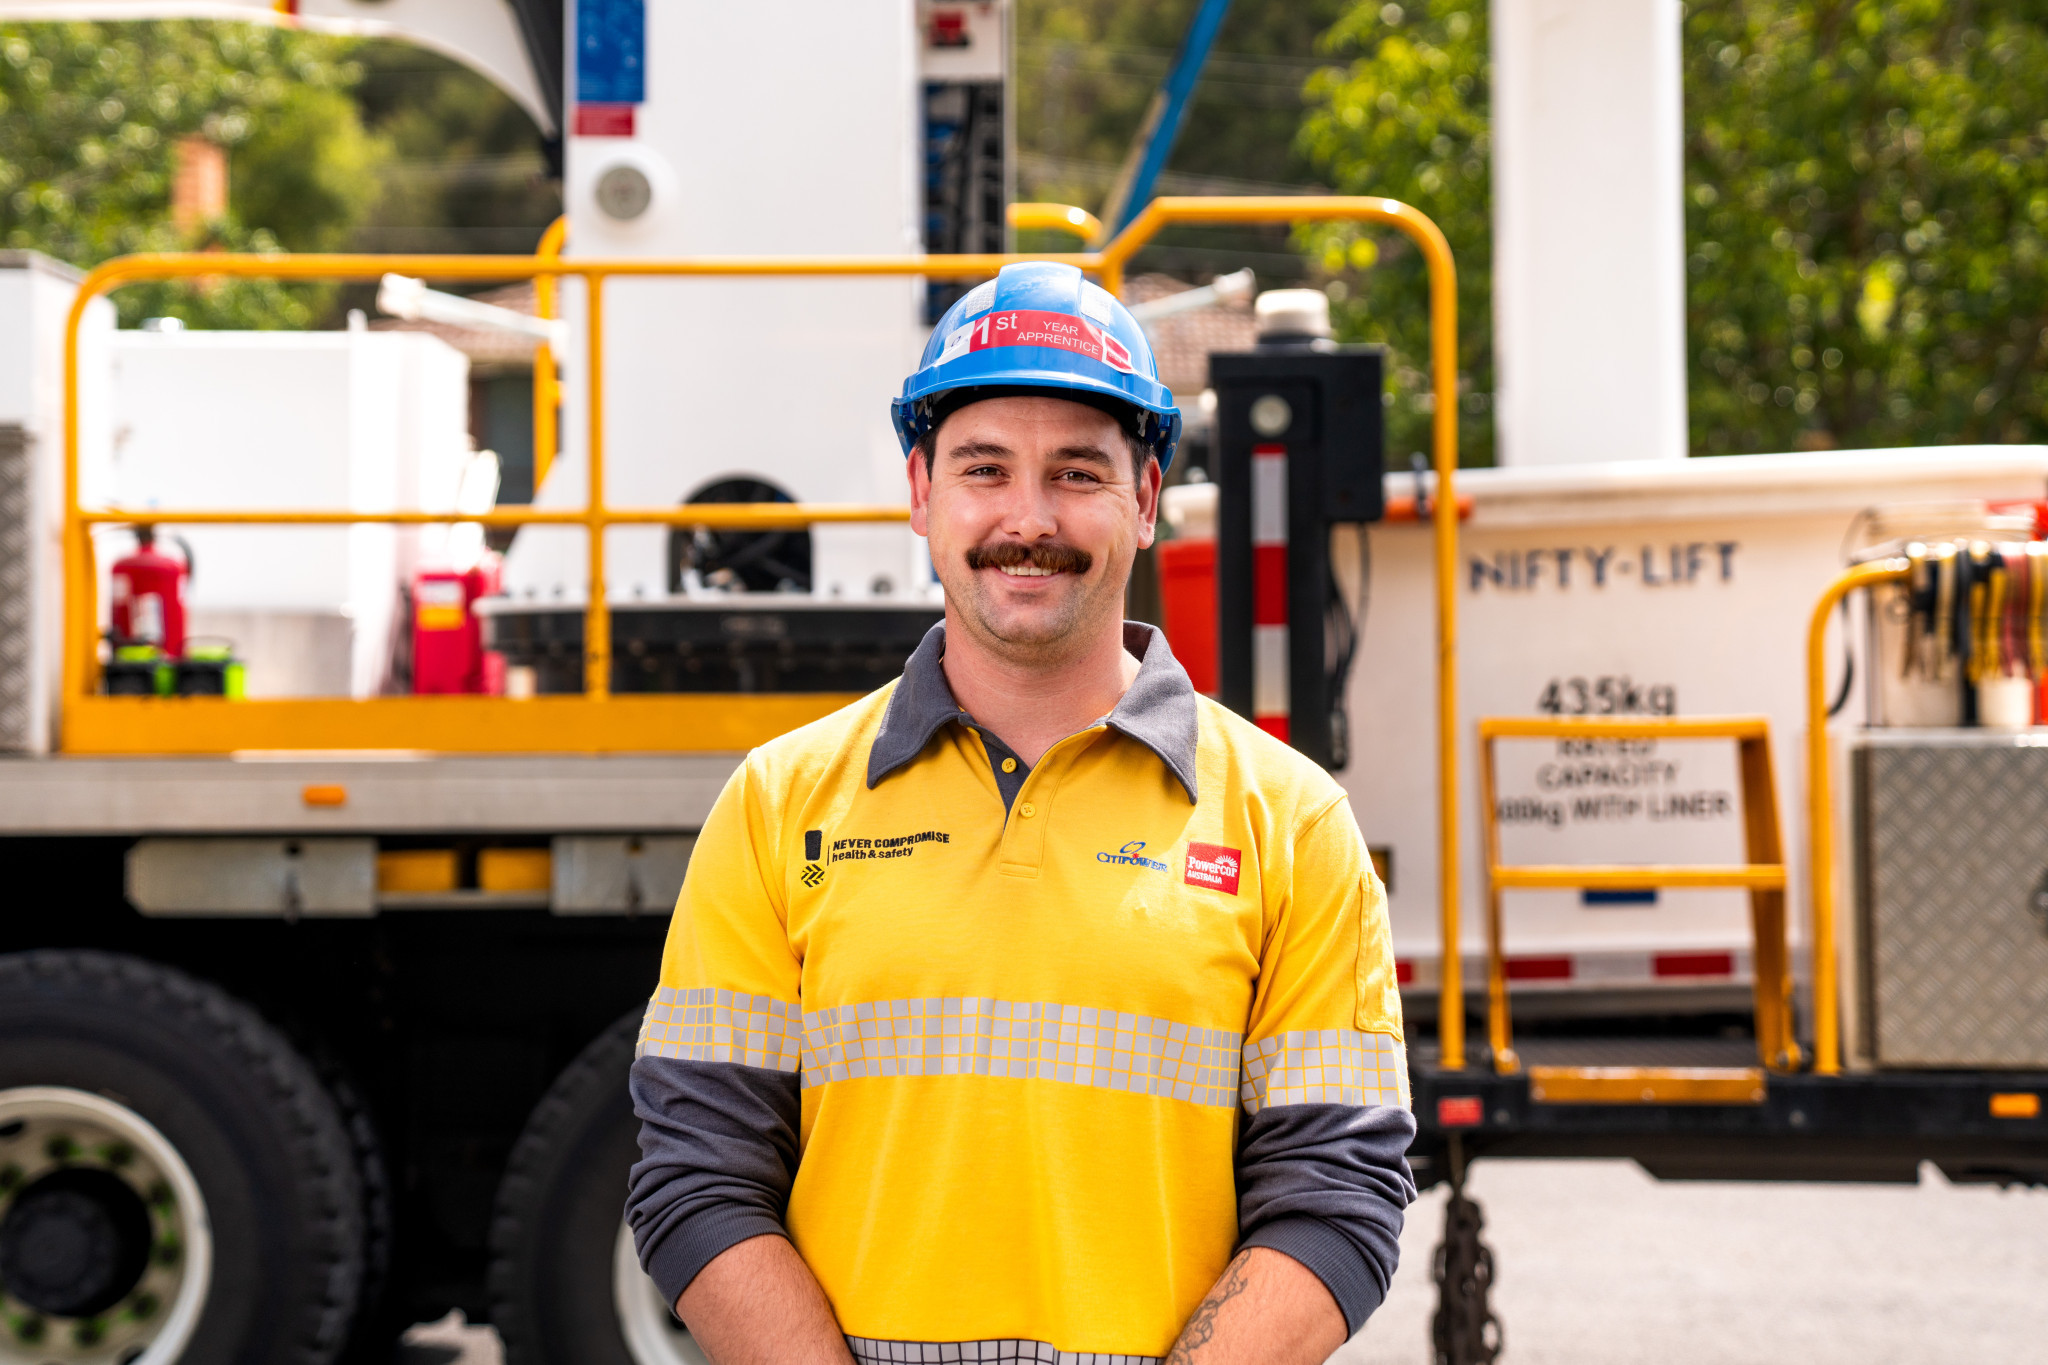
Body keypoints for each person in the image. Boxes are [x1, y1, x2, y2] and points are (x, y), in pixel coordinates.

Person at [627, 261, 1415, 1364]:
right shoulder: (777, 803)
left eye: (1077, 472)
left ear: (1143, 502)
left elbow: (1336, 1190)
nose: (1027, 518)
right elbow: (695, 1179)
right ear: (921, 493)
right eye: (984, 469)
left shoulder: (1290, 824)